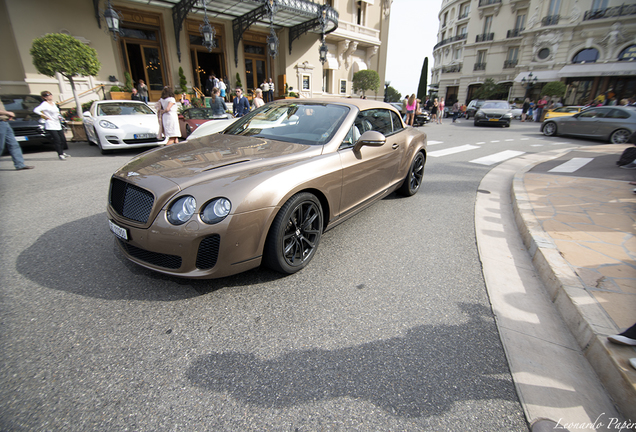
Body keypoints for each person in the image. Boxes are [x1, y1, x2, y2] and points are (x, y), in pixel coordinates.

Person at [33, 91, 70, 160]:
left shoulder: (53, 103)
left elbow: (56, 112)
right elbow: (36, 110)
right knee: (57, 140)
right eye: (48, 95)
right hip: (51, 124)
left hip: (57, 123)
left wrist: (60, 117)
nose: (50, 96)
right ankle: (60, 154)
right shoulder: (44, 104)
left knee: (62, 139)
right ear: (44, 97)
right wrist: (44, 115)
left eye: (50, 94)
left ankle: (62, 152)